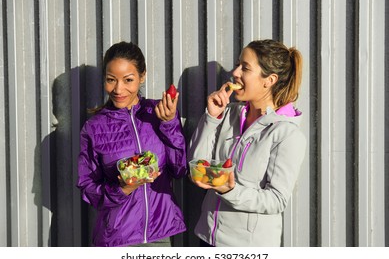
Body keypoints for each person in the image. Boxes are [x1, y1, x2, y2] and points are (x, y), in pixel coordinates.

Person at [188, 39, 306, 247]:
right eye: (237, 64)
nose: (235, 72)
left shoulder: (287, 133)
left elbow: (276, 199)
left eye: (245, 68)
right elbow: (197, 164)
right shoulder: (229, 113)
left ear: (269, 80)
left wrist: (230, 191)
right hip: (208, 238)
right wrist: (212, 118)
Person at [77, 41, 187, 247]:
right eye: (111, 80)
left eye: (128, 80)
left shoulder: (159, 113)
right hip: (116, 239)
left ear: (142, 76)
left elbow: (179, 169)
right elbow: (87, 187)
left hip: (159, 236)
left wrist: (169, 123)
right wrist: (122, 189)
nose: (118, 89)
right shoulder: (94, 127)